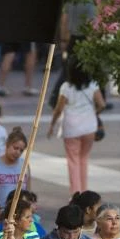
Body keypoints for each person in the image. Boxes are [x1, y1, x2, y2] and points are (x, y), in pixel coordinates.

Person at [48, 57, 105, 195]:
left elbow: (58, 109)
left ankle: (75, 194)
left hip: (71, 128)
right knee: (84, 159)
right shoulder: (93, 85)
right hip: (89, 127)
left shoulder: (66, 87)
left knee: (73, 161)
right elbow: (102, 104)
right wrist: (94, 113)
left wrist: (52, 125)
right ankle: (84, 192)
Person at [0, 127, 30, 210]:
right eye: (15, 148)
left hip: (20, 213)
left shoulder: (24, 165)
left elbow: (28, 192)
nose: (18, 152)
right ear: (7, 144)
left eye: (21, 150)